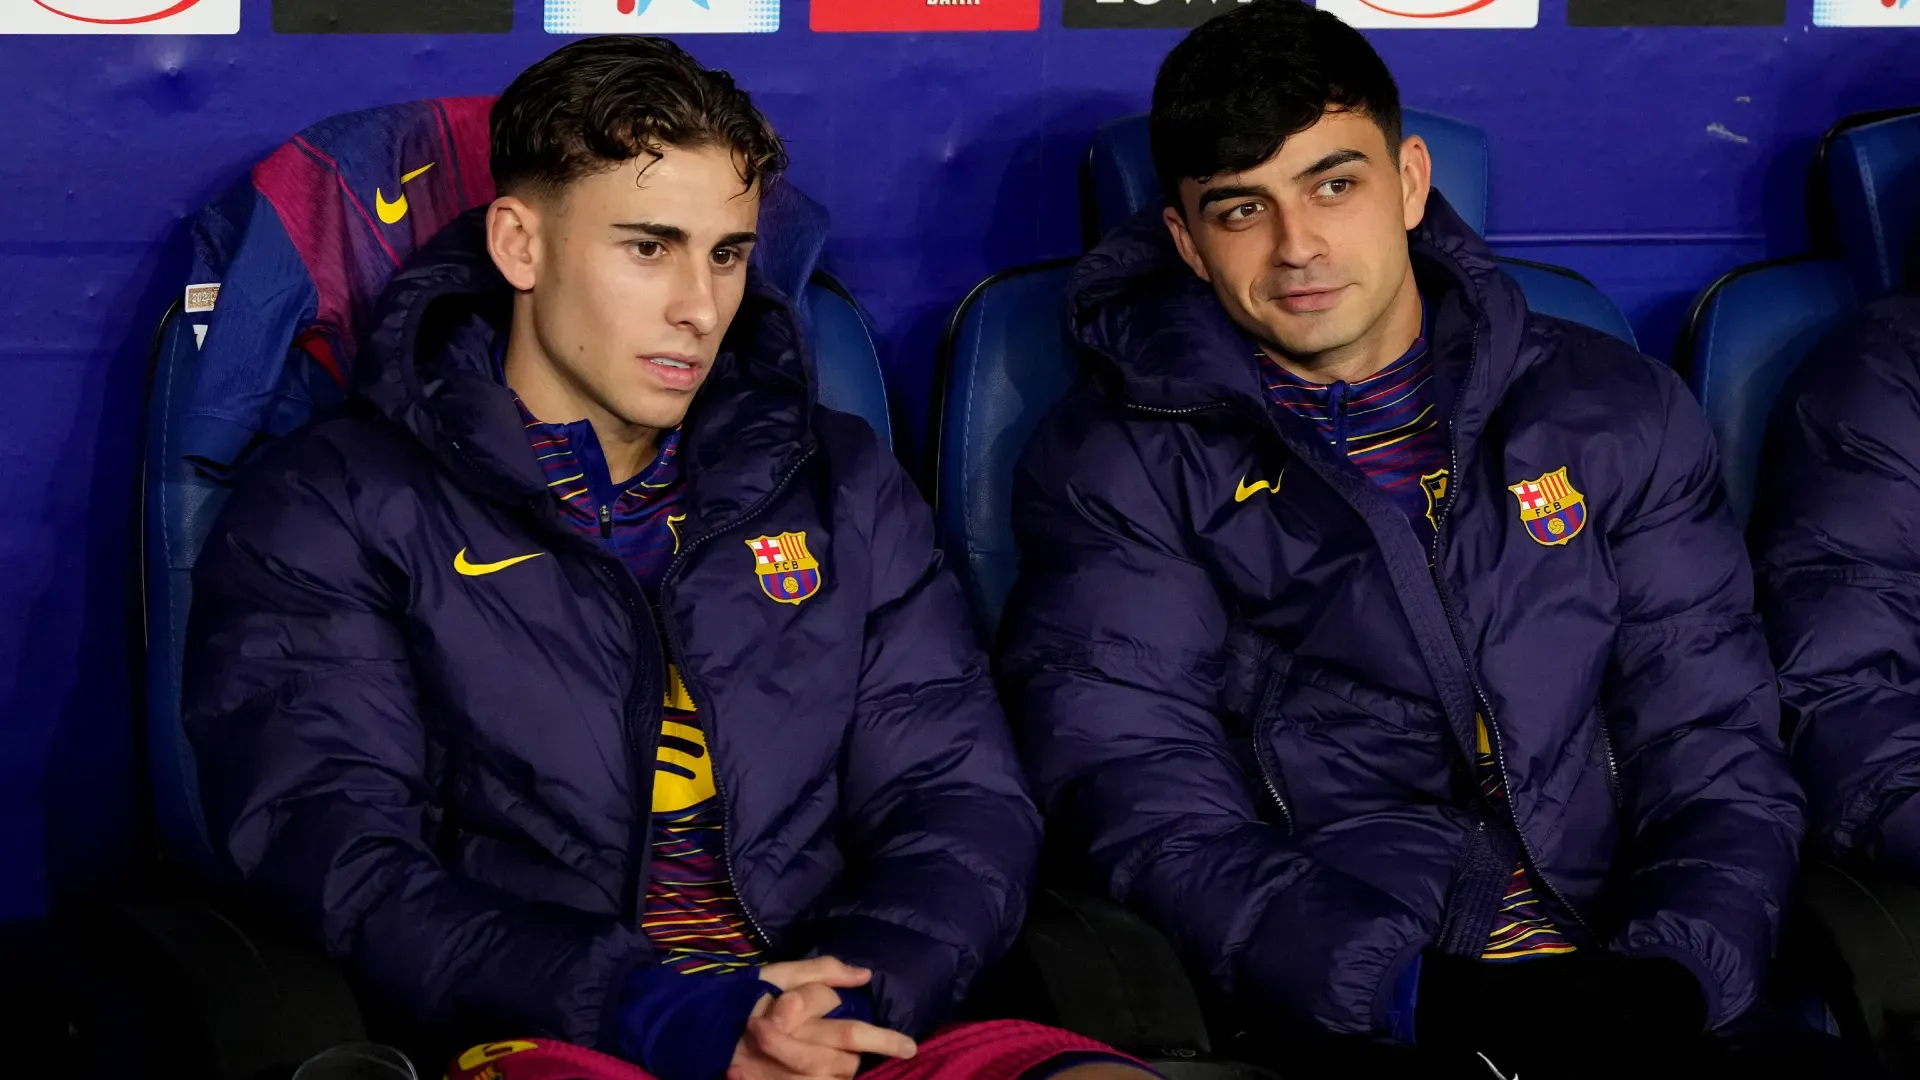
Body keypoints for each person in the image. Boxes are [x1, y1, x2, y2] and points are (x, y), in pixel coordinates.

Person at [184, 37, 1149, 1080]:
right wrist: (658, 1015)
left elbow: (957, 799)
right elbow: (342, 858)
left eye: (728, 253)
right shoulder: (336, 500)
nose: (700, 307)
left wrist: (845, 994)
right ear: (519, 243)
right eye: (649, 247)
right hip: (559, 1034)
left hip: (848, 1017)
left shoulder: (837, 480)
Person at [997, 3, 1837, 1076]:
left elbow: (1712, 742)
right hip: (1359, 1004)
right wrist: (1407, 991)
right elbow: (1142, 790)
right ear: (1186, 244)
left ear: (1409, 180)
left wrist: (1677, 971)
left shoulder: (1610, 407)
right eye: (1242, 209)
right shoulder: (1116, 461)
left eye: (1333, 185)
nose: (1297, 246)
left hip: (1636, 968)